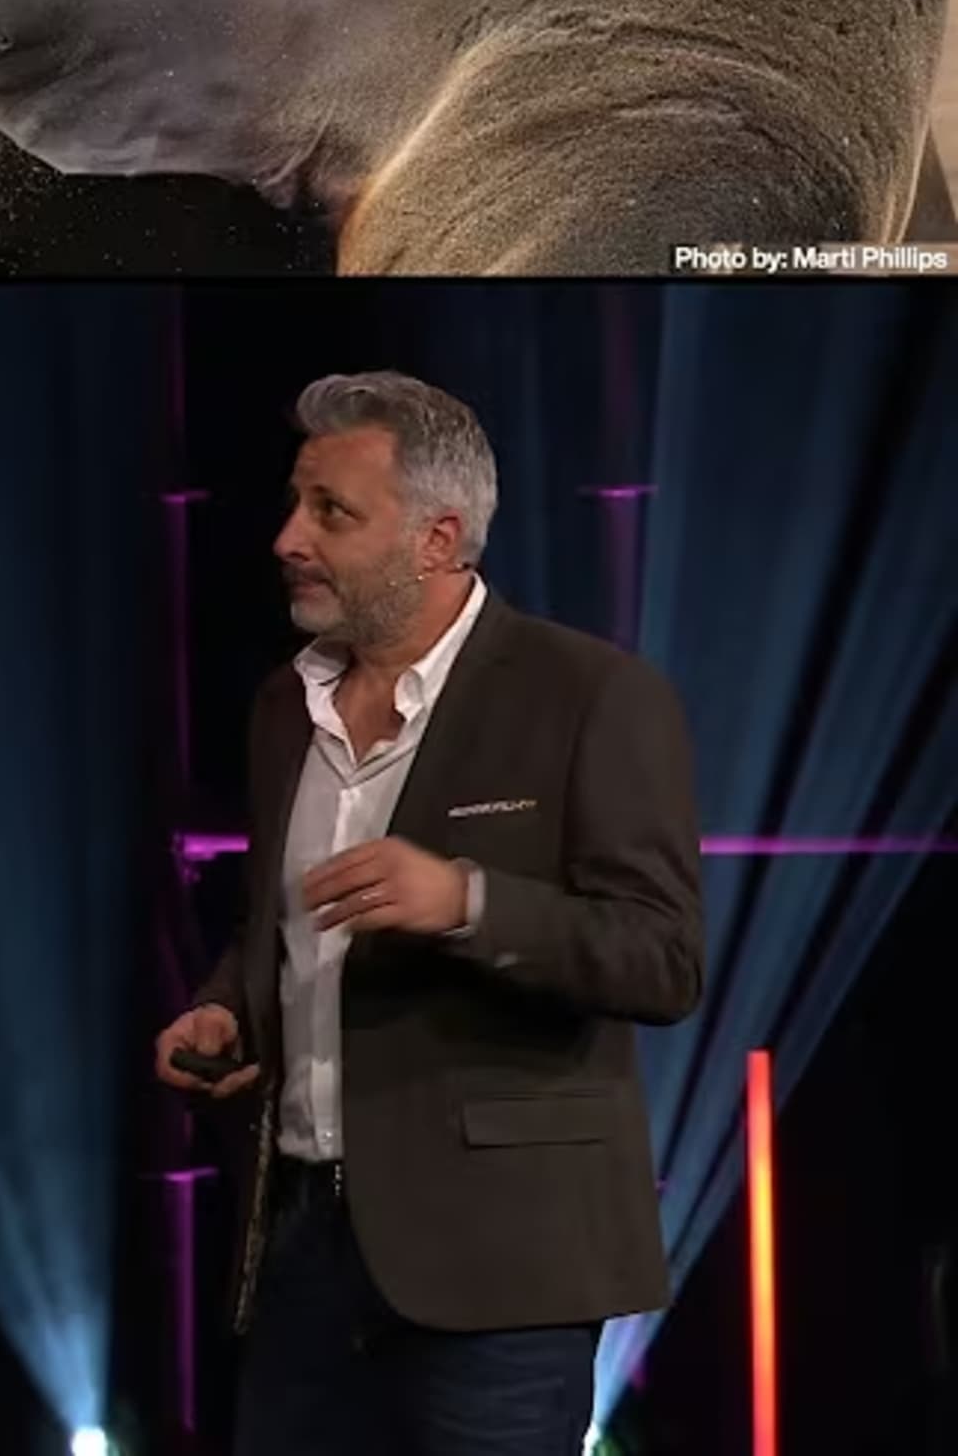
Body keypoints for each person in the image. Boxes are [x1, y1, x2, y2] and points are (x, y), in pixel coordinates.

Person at [155, 369, 704, 1456]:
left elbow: (662, 957)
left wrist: (467, 901)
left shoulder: (590, 695)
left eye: (331, 512)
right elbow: (276, 924)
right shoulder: (284, 705)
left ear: (437, 539)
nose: (286, 539)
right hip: (302, 1249)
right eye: (295, 503)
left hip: (502, 1270)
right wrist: (227, 1008)